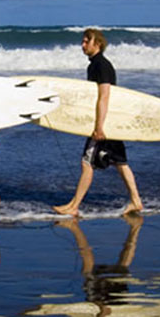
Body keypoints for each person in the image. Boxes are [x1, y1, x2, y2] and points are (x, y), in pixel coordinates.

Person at [53, 28, 144, 217]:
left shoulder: (101, 65)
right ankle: (136, 201)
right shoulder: (95, 65)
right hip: (110, 122)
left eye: (87, 41)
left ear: (98, 44)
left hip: (104, 123)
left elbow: (104, 97)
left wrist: (99, 127)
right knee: (120, 163)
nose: (83, 44)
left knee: (87, 163)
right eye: (83, 41)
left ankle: (74, 206)